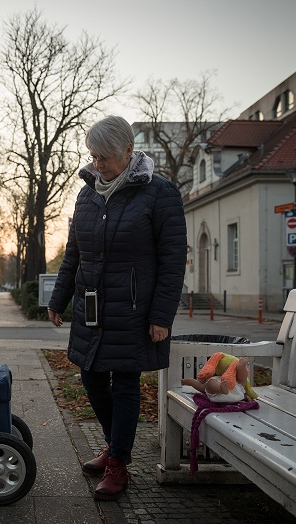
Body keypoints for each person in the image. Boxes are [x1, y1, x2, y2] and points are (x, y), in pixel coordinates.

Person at [47, 115, 187, 501]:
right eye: (92, 157)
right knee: (91, 376)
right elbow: (73, 251)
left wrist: (161, 316)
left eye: (104, 157)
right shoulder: (87, 192)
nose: (96, 165)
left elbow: (173, 261)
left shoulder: (160, 194)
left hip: (134, 310)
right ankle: (113, 445)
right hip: (92, 307)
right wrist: (58, 299)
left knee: (125, 383)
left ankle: (118, 465)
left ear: (128, 151)